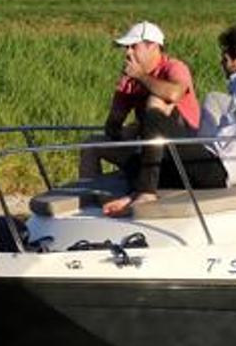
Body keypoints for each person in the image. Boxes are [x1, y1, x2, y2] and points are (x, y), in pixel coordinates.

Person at [102, 25, 236, 216]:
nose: (221, 63)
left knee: (156, 110)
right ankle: (137, 193)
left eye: (225, 59)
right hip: (220, 167)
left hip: (222, 168)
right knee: (138, 165)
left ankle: (146, 193)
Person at [88, 22, 217, 217]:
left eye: (134, 47)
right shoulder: (131, 80)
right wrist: (123, 96)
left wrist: (140, 76)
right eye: (126, 48)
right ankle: (87, 204)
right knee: (91, 144)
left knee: (156, 100)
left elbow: (173, 93)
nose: (128, 53)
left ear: (153, 47)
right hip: (150, 154)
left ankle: (146, 191)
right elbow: (112, 126)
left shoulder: (174, 67)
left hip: (183, 151)